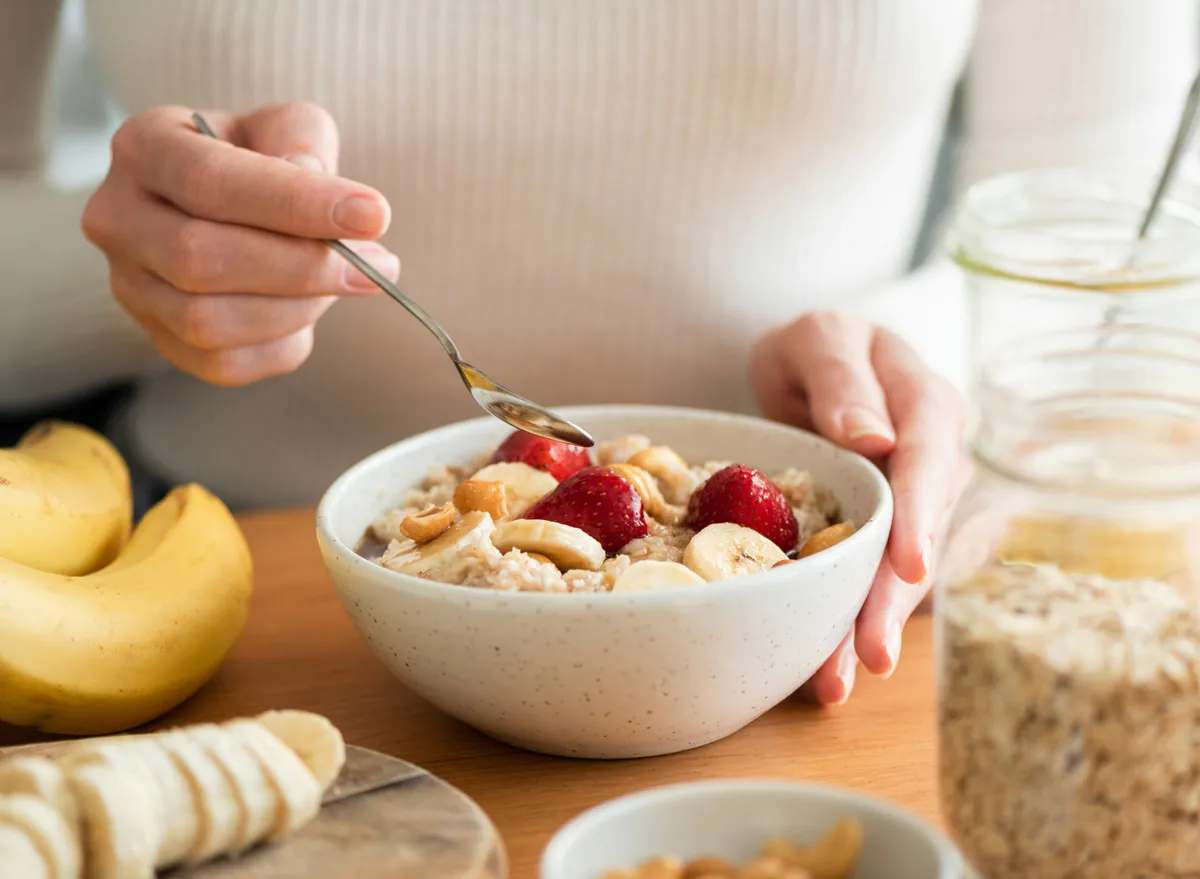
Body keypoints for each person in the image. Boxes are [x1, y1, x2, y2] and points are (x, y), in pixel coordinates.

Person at [1, 0, 1195, 705]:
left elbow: (1123, 210)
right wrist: (127, 268)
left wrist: (910, 352)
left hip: (805, 630)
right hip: (236, 624)